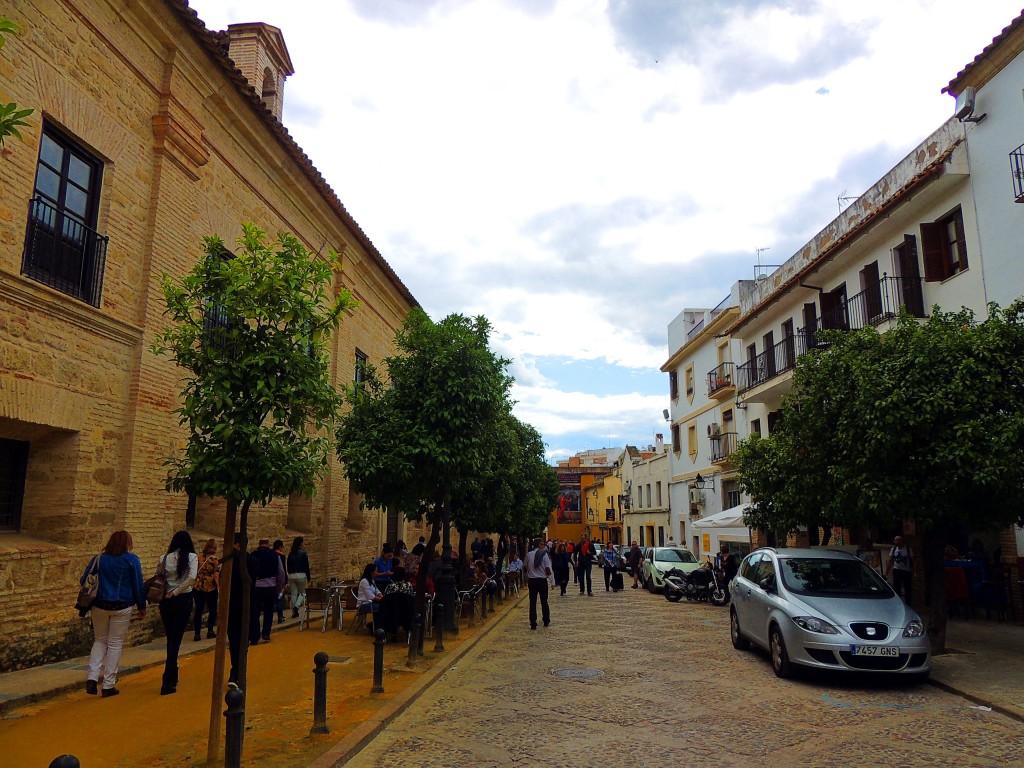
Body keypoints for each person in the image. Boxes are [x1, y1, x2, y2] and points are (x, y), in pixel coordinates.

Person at [81, 530, 146, 698]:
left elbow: (84, 579)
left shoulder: (99, 559)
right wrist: (141, 605)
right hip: (122, 605)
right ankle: (108, 684)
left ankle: (92, 677)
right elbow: (138, 584)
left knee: (99, 640)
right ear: (127, 543)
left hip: (99, 604)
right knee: (115, 643)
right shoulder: (131, 560)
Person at [157, 530, 198, 695]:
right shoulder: (192, 557)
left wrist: (169, 592)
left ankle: (172, 675)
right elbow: (192, 578)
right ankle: (168, 678)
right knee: (176, 639)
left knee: (171, 638)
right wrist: (176, 592)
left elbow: (159, 576)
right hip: (183, 599)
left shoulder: (164, 558)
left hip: (166, 601)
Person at [224, 533, 257, 685]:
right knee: (242, 640)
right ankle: (238, 670)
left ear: (236, 544)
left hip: (234, 605)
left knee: (235, 640)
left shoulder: (231, 561)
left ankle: (236, 670)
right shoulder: (252, 561)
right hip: (246, 605)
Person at [250, 536, 286, 645]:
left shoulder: (253, 555)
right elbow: (281, 572)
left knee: (255, 612)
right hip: (270, 586)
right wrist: (279, 585)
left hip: (256, 586)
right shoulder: (275, 555)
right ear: (268, 544)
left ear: (259, 543)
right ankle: (266, 633)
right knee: (268, 611)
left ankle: (254, 636)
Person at [192, 538, 219, 641]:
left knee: (199, 610)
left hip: (198, 586)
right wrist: (219, 587)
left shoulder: (198, 558)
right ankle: (210, 631)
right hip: (210, 587)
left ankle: (197, 633)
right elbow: (216, 575)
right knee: (212, 609)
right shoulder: (215, 560)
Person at [524, 538, 553, 630]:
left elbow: (525, 567)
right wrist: (552, 581)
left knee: (532, 602)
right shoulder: (544, 555)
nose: (544, 546)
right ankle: (546, 620)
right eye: (543, 544)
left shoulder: (529, 555)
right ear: (540, 545)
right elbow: (548, 569)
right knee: (544, 601)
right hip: (542, 581)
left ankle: (533, 623)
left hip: (532, 581)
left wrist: (528, 576)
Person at [287, 536, 311, 618]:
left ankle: (294, 613)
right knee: (302, 593)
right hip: (301, 575)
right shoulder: (303, 553)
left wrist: (290, 574)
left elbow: (288, 565)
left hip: (291, 575)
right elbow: (306, 566)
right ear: (301, 543)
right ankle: (296, 606)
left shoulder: (290, 553)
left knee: (294, 594)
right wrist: (308, 577)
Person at [357, 562, 383, 633]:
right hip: (364, 604)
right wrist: (381, 600)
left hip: (371, 603)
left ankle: (378, 625)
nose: (377, 572)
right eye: (376, 571)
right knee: (381, 606)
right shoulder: (364, 581)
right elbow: (370, 596)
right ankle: (377, 626)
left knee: (383, 605)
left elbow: (377, 591)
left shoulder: (372, 580)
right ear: (371, 572)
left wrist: (383, 597)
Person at [888, 535, 913, 604]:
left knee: (907, 588)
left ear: (900, 541)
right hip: (897, 570)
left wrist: (915, 571)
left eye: (896, 540)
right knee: (896, 588)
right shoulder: (893, 549)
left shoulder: (908, 549)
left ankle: (908, 603)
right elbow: (890, 560)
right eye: (894, 540)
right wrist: (887, 571)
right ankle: (898, 602)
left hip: (906, 571)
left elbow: (913, 560)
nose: (894, 542)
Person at [273, 539, 288, 623]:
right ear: (280, 547)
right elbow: (283, 570)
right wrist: (285, 581)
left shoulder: (271, 554)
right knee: (279, 598)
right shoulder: (281, 556)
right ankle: (280, 616)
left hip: (271, 580)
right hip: (279, 580)